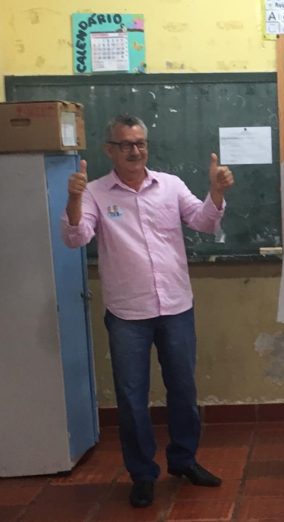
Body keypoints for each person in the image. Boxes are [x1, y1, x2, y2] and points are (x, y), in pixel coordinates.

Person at [61, 114, 234, 508]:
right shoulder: (95, 193)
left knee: (183, 390)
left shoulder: (170, 186)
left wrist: (216, 193)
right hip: (128, 313)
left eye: (140, 143)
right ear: (110, 150)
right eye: (125, 144)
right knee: (131, 398)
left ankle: (184, 461)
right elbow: (76, 238)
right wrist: (72, 200)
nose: (135, 151)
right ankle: (142, 474)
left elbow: (203, 221)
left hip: (176, 306)